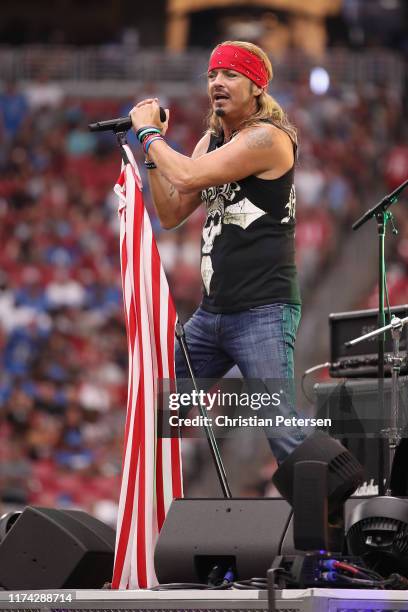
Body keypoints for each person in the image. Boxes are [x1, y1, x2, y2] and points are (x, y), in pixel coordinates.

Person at [130, 41, 303, 463]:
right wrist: (153, 157)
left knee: (281, 429)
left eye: (229, 75)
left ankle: (327, 519)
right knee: (161, 415)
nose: (217, 83)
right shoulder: (213, 141)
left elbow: (187, 178)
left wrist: (149, 134)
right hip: (212, 314)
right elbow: (171, 211)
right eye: (212, 75)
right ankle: (155, 517)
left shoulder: (267, 137)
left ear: (256, 86)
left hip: (262, 310)